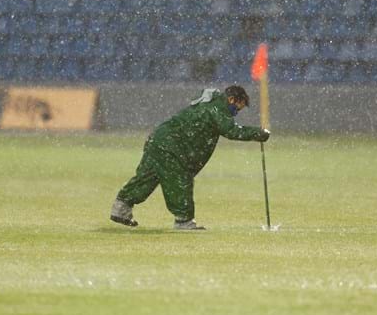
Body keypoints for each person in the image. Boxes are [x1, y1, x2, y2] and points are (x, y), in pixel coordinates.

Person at [111, 85, 270, 230]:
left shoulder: (208, 104)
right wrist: (257, 133)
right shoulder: (217, 109)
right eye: (237, 108)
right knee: (180, 180)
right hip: (171, 147)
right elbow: (232, 131)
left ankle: (121, 207)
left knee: (147, 177)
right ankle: (183, 221)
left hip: (159, 139)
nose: (235, 112)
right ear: (231, 99)